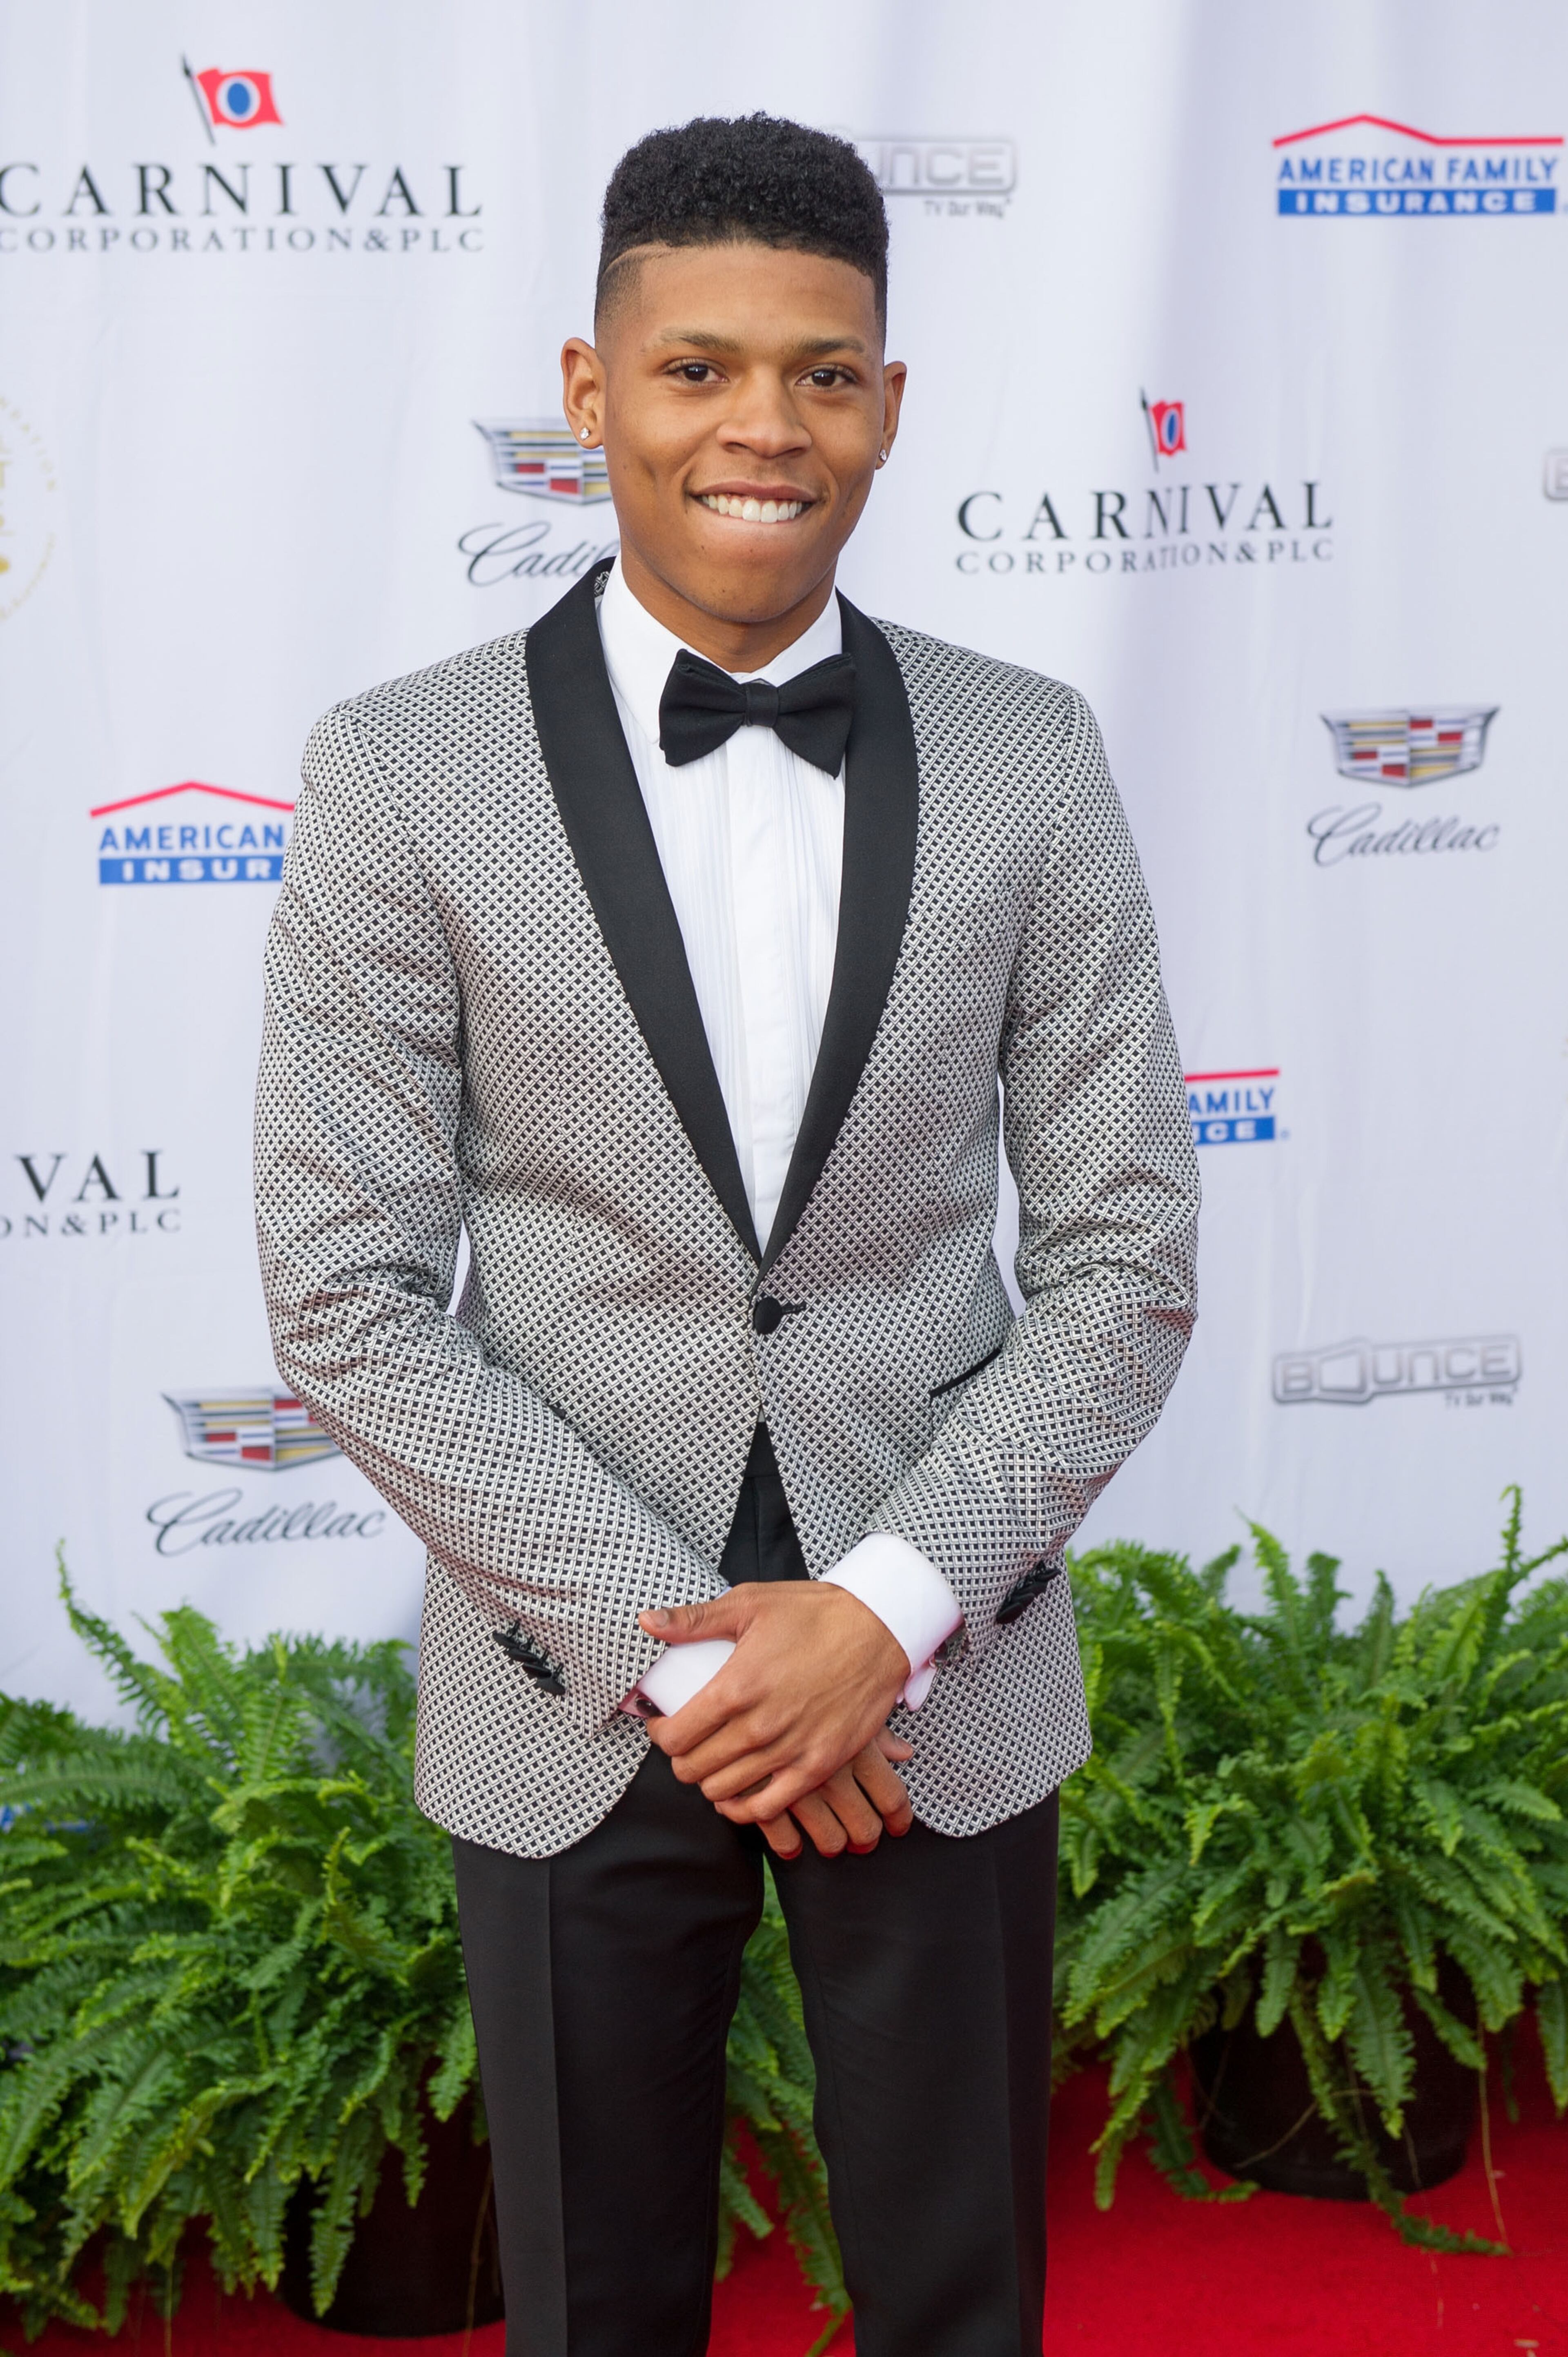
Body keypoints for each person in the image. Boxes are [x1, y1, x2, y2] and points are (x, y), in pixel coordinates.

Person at [254, 111, 1199, 2357]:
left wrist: (882, 1615)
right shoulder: (401, 768)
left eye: (824, 373)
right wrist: (694, 1660)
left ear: (887, 399)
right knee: (599, 2307)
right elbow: (345, 1289)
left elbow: (1127, 1253)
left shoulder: (1029, 752)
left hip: (941, 1668)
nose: (762, 428)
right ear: (593, 395)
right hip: (563, 1677)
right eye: (696, 370)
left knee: (961, 2297)